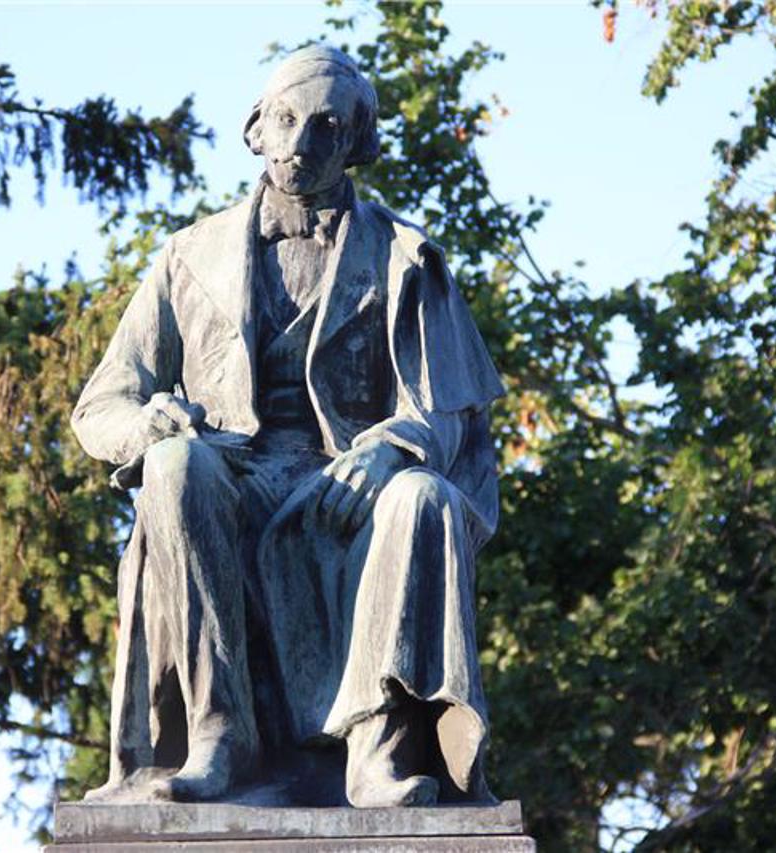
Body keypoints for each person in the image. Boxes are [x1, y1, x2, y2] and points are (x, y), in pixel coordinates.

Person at [71, 45, 503, 808]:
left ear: (357, 141)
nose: (301, 142)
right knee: (174, 466)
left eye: (326, 126)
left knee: (423, 497)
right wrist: (150, 423)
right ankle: (220, 733)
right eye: (286, 119)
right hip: (229, 475)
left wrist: (392, 449)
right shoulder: (189, 256)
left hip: (350, 486)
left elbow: (450, 412)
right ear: (256, 129)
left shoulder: (405, 258)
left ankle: (377, 751)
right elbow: (100, 408)